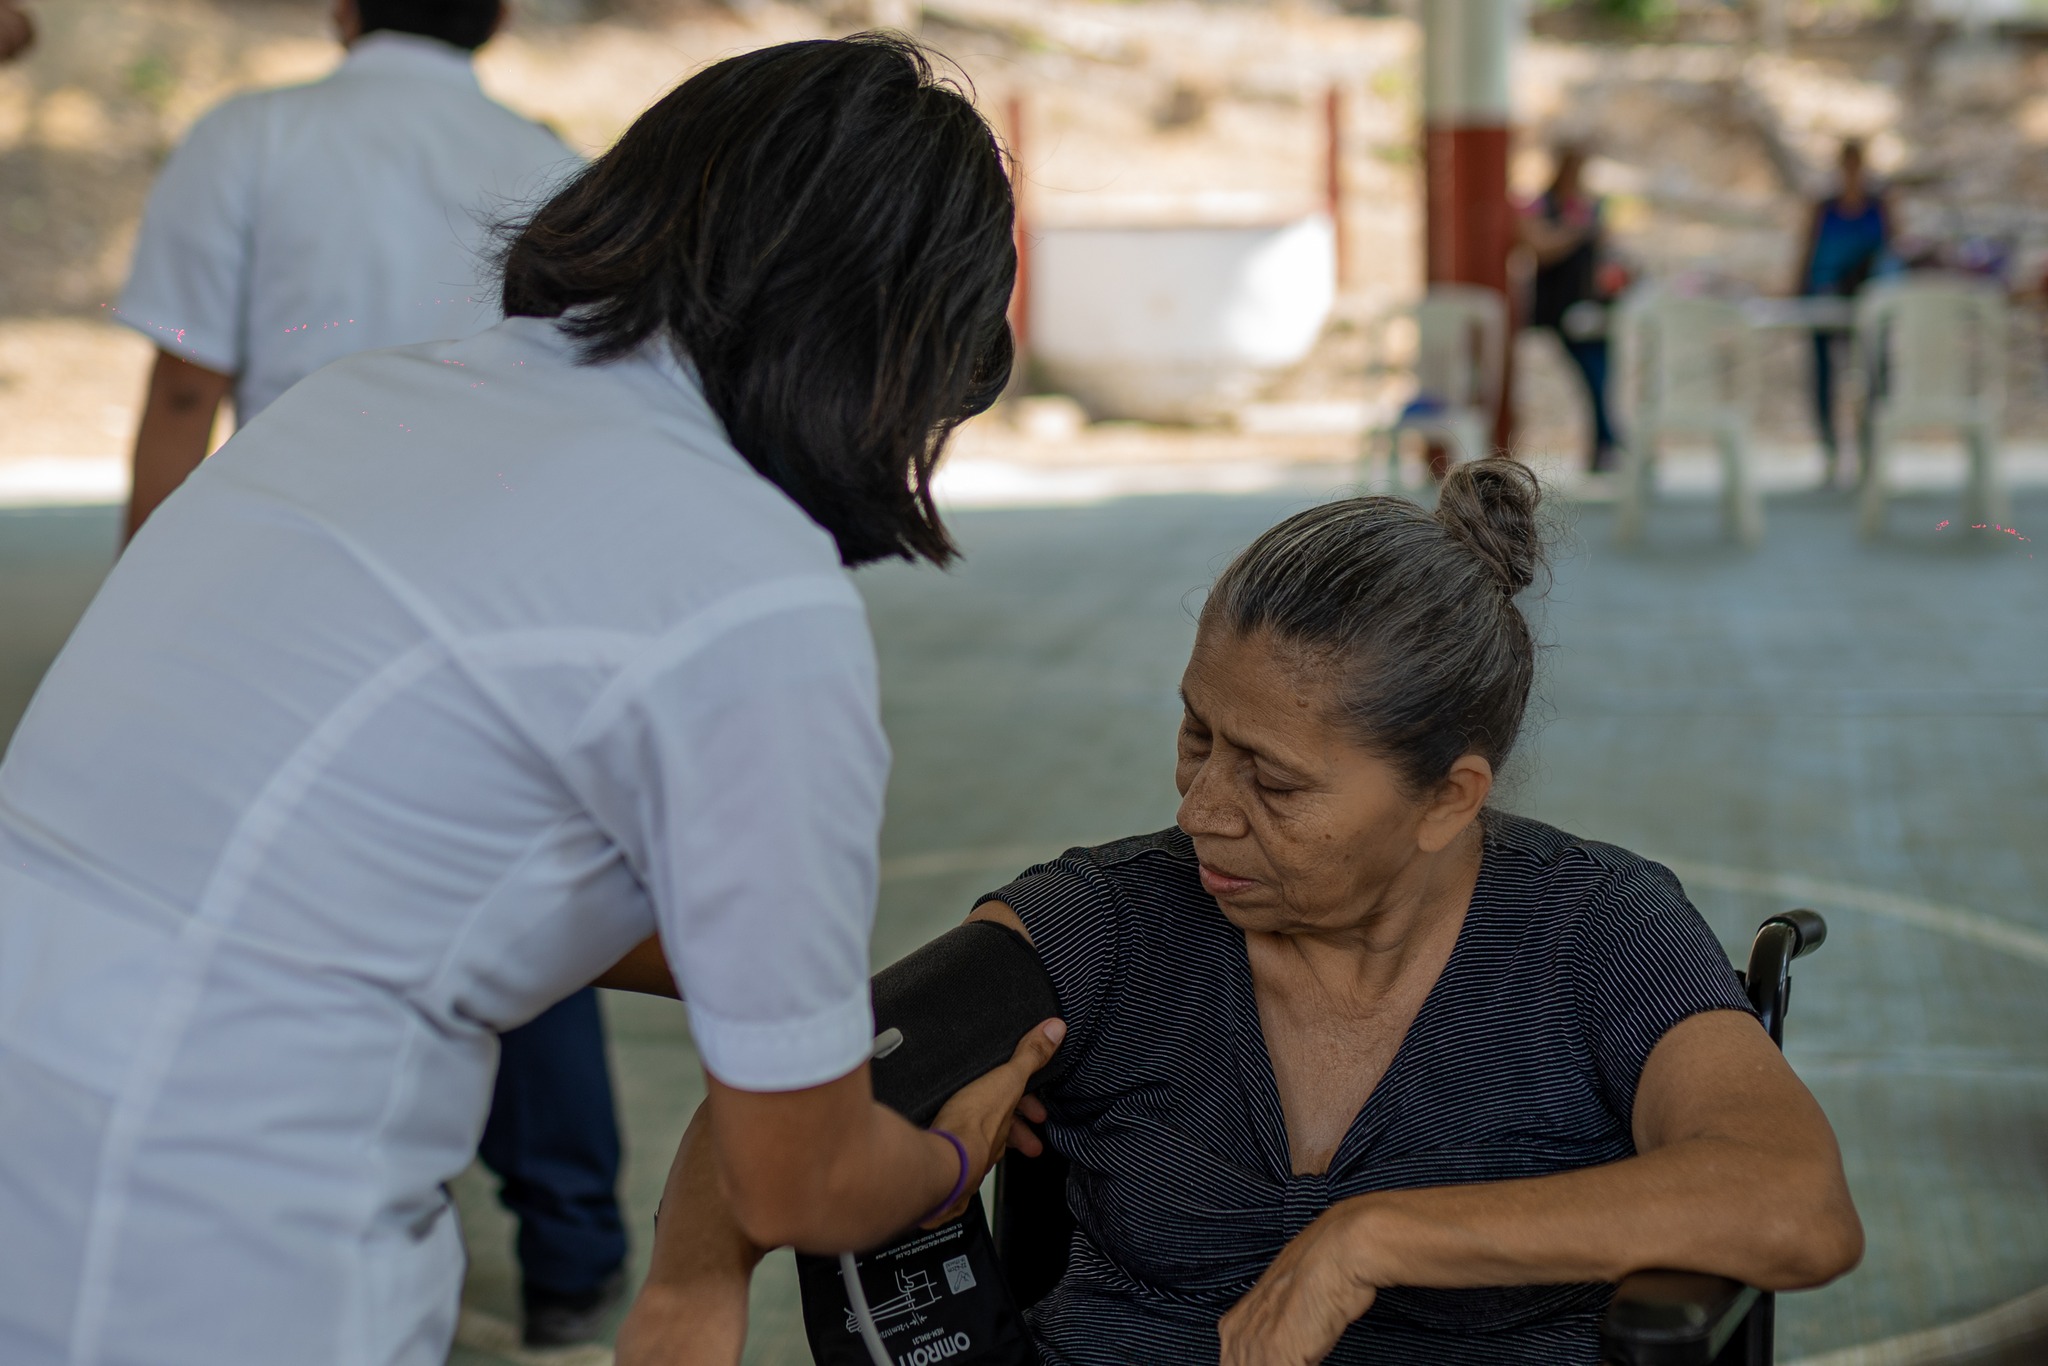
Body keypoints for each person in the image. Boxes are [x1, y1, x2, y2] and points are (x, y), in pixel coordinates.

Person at [0, 35, 1052, 1366]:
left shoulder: (363, 404)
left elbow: (354, 857)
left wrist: (780, 995)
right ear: (897, 354)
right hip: (207, 1231)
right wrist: (940, 1150)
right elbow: (799, 1180)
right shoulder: (745, 586)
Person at [636, 460, 1863, 1365]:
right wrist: (692, 1293)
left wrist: (1369, 1238)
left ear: (1447, 799)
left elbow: (1793, 1202)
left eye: (1270, 780)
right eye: (1194, 734)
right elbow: (798, 1087)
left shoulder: (1593, 933)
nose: (1202, 810)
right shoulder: (1111, 923)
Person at [111, 1, 626, 1346]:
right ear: (500, 13)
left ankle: (306, 1230)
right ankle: (575, 1252)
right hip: (504, 593)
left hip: (295, 602)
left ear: (342, 6)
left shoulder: (252, 137)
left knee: (296, 909)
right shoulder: (554, 163)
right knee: (527, 906)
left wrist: (149, 606)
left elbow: (182, 395)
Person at [1795, 138, 1891, 485]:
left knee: (1875, 376)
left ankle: (1871, 450)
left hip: (1869, 301)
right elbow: (1806, 249)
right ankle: (1831, 450)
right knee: (1823, 377)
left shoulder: (1881, 204)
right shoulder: (1824, 206)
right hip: (1824, 295)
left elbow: (1893, 249)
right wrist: (1798, 290)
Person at [1522, 146, 1621, 472]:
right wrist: (1576, 230)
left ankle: (1606, 444)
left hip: (1592, 308)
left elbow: (1606, 251)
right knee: (1592, 374)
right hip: (1558, 307)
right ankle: (1612, 441)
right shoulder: (1542, 205)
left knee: (1603, 375)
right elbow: (1540, 246)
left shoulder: (1589, 205)